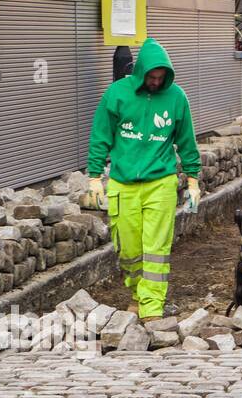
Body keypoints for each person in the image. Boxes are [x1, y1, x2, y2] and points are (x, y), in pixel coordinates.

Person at [83, 38, 200, 321]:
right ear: (141, 72)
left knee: (156, 249)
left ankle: (151, 308)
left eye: (162, 78)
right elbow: (101, 136)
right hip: (123, 184)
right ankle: (136, 294)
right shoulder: (117, 94)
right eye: (152, 77)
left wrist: (193, 180)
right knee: (129, 249)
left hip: (161, 183)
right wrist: (95, 177)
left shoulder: (177, 98)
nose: (156, 82)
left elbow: (187, 142)